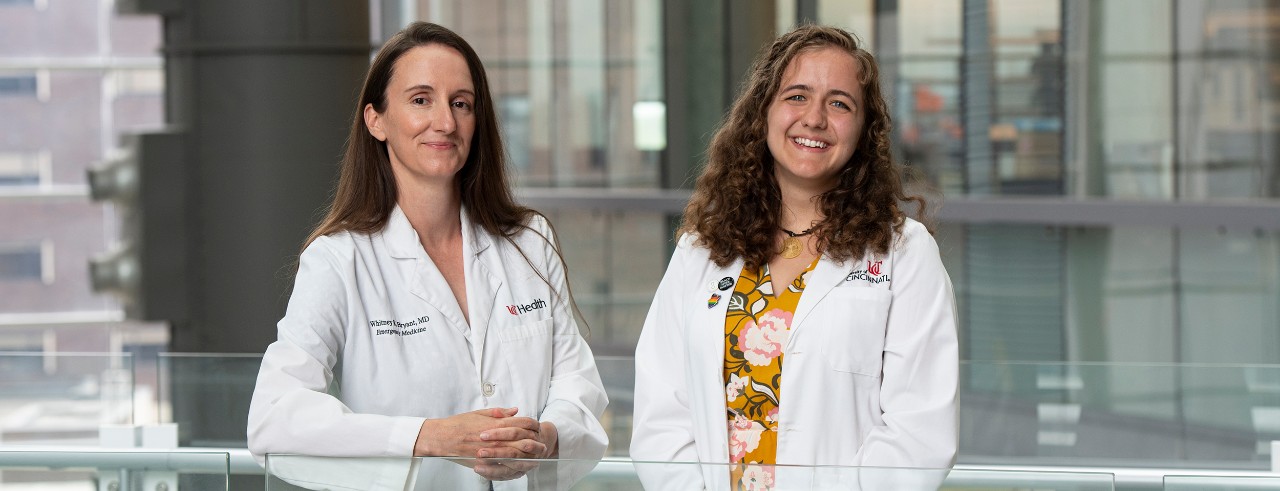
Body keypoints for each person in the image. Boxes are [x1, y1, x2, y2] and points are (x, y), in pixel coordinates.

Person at [247, 22, 608, 490]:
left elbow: (577, 382)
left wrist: (546, 437)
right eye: (421, 100)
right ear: (376, 120)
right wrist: (429, 437)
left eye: (461, 103)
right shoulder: (339, 260)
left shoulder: (529, 241)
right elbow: (274, 418)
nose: (446, 122)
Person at [630, 25, 958, 490]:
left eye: (839, 104)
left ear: (864, 131)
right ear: (764, 111)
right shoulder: (702, 248)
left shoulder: (905, 254)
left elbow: (919, 432)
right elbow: (661, 413)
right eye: (797, 96)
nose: (815, 119)